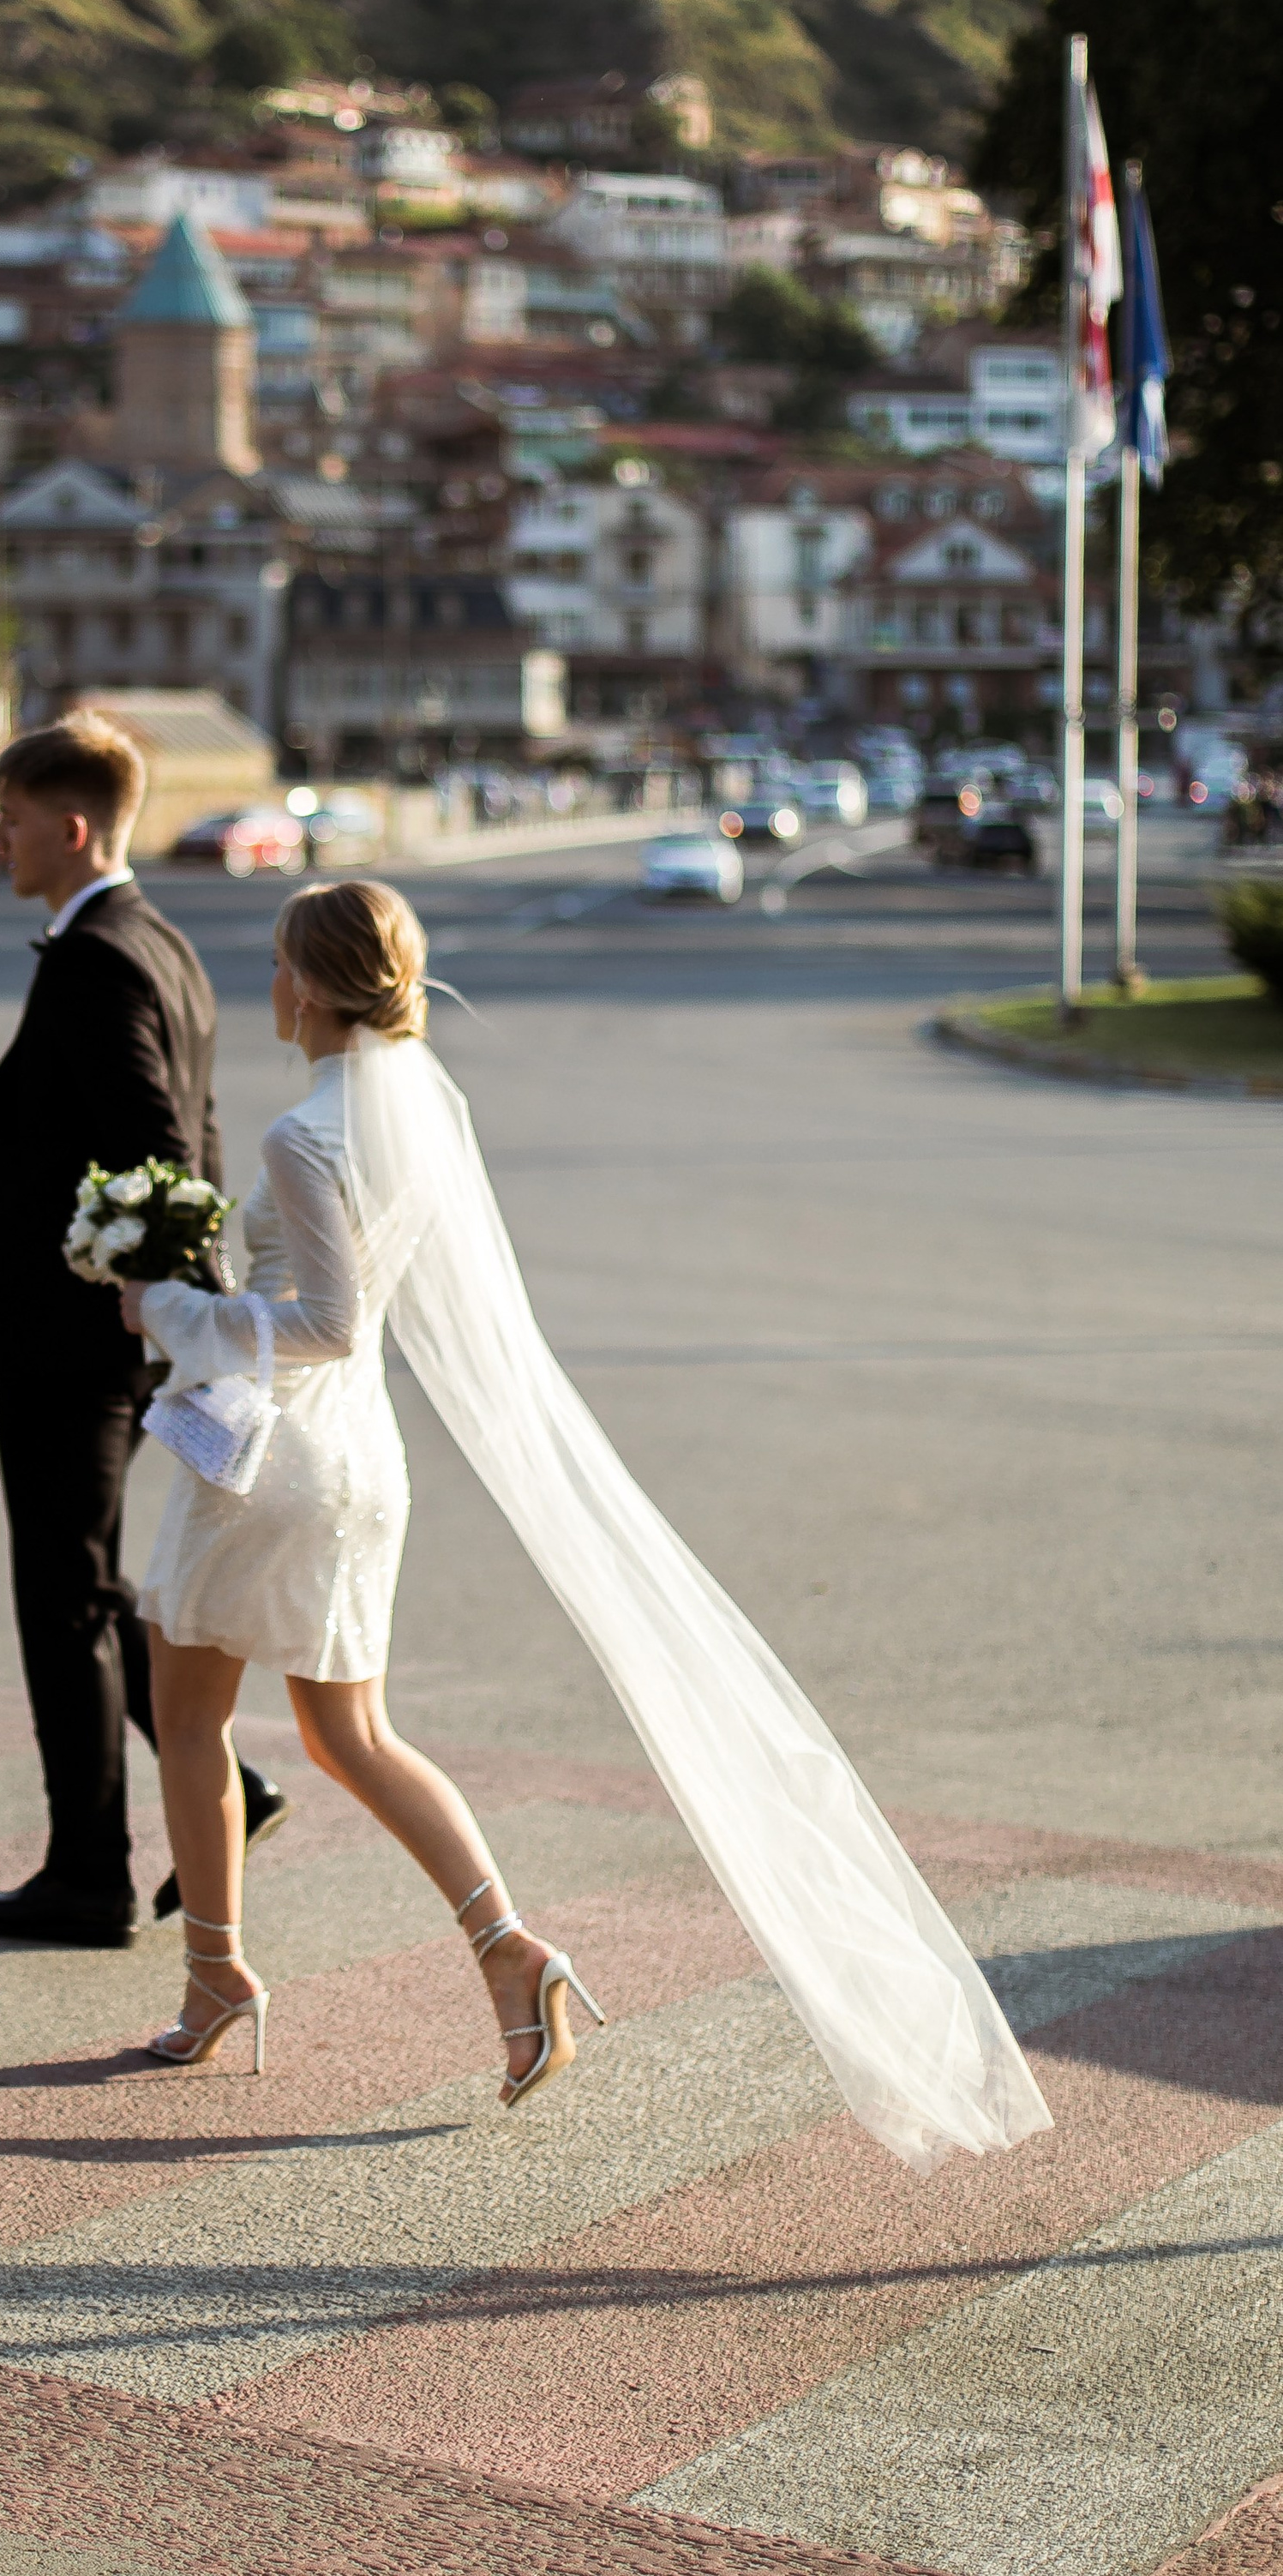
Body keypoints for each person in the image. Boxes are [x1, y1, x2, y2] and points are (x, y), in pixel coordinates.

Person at [122, 880, 1052, 2171]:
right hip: (361, 1467)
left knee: (190, 1722)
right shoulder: (418, 1117)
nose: (271, 988)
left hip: (269, 1465)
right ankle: (511, 1951)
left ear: (320, 986)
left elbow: (325, 1328)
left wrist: (167, 1309)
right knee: (355, 1737)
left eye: (282, 965)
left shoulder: (303, 1131)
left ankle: (218, 1979)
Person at [0, 712, 285, 1947]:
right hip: (109, 1337)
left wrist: (132, 1296)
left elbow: (160, 1151)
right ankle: (212, 1799)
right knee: (84, 1583)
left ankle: (89, 1868)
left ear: (73, 826)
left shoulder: (101, 956)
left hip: (71, 1341)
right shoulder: (160, 941)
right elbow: (192, 1140)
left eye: (11, 816)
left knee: (65, 1593)